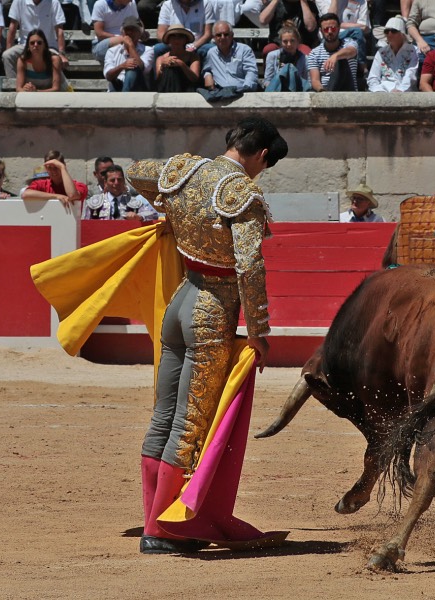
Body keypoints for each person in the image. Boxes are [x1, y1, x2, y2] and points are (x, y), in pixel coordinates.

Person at [129, 116, 289, 554]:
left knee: (163, 416)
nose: (262, 170)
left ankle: (151, 520)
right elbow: (249, 265)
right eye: (266, 163)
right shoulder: (242, 192)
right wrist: (257, 329)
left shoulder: (185, 170)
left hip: (179, 302)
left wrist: (172, 209)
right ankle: (165, 530)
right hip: (211, 310)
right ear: (259, 154)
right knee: (188, 423)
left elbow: (135, 172)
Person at [3, 0, 67, 79]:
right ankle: (13, 85)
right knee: (7, 55)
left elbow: (59, 30)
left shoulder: (54, 2)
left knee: (57, 59)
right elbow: (12, 26)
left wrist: (61, 53)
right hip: (25, 45)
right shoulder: (18, 1)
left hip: (49, 46)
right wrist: (8, 49)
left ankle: (52, 85)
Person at [82, 165, 159, 221]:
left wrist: (139, 216)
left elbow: (154, 215)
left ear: (124, 181)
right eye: (112, 180)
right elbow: (85, 224)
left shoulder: (133, 202)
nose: (116, 183)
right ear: (105, 183)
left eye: (119, 180)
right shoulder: (94, 203)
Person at [202, 20, 259, 92]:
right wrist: (207, 75)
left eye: (226, 34)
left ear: (232, 35)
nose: (222, 37)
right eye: (219, 35)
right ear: (214, 38)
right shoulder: (211, 53)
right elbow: (207, 69)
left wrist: (246, 89)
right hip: (220, 93)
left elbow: (251, 72)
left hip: (241, 92)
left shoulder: (244, 50)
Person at [308, 12, 359, 91]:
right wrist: (322, 91)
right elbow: (315, 80)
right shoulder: (314, 53)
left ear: (339, 28)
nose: (330, 32)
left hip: (348, 91)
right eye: (326, 29)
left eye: (333, 28)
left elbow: (352, 51)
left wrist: (335, 56)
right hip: (327, 91)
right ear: (321, 31)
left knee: (341, 60)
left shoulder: (349, 43)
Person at [367, 16, 419, 92]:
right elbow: (373, 77)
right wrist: (378, 90)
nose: (389, 34)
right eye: (387, 31)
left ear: (402, 34)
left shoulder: (413, 51)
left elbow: (410, 75)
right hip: (382, 92)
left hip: (406, 93)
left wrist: (400, 90)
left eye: (393, 31)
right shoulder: (381, 52)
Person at [22, 150, 88, 208]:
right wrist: (56, 196)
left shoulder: (79, 185)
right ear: (46, 168)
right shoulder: (42, 184)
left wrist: (62, 168)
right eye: (49, 168)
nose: (53, 171)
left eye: (56, 167)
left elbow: (72, 195)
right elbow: (25, 194)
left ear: (64, 165)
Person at [103, 16, 154, 91]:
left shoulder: (148, 50)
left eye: (133, 29)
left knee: (133, 68)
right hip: (116, 87)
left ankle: (124, 98)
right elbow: (108, 76)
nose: (129, 32)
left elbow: (142, 68)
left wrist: (130, 46)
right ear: (122, 32)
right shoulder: (112, 51)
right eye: (127, 29)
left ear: (140, 33)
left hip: (137, 88)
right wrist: (122, 66)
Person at [263, 24, 311, 91]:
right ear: (280, 42)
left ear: (298, 41)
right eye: (285, 41)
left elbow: (307, 81)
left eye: (292, 41)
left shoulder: (305, 58)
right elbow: (267, 80)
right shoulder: (272, 56)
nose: (289, 44)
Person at [90, 0, 140, 64]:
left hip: (126, 44)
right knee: (126, 40)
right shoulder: (100, 4)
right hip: (101, 45)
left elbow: (138, 22)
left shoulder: (131, 3)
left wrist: (141, 32)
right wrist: (121, 38)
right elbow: (100, 34)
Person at [156, 24, 201, 92]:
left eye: (180, 36)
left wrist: (181, 64)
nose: (176, 39)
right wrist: (162, 66)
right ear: (169, 40)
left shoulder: (193, 56)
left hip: (187, 90)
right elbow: (158, 79)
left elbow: (194, 78)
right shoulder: (160, 59)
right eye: (173, 36)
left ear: (185, 39)